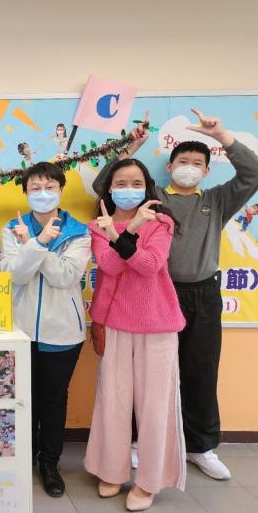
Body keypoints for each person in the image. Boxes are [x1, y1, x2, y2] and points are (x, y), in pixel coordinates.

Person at [93, 108, 258, 480]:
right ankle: (137, 442)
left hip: (202, 294)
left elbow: (253, 173)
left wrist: (222, 136)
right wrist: (129, 148)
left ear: (207, 171)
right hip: (151, 293)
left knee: (201, 369)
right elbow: (106, 185)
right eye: (182, 162)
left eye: (197, 164)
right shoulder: (150, 200)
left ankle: (200, 447)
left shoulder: (216, 200)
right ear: (169, 167)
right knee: (143, 375)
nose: (189, 168)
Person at [85, 159, 186, 511]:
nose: (129, 189)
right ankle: (111, 470)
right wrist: (125, 232)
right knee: (112, 400)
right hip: (114, 323)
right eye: (121, 183)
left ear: (147, 187)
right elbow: (110, 266)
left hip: (157, 325)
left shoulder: (161, 223)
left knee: (155, 405)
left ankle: (149, 481)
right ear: (109, 188)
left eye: (136, 182)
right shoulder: (99, 225)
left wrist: (124, 235)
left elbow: (149, 266)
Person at [0, 162, 90, 498]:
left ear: (61, 190)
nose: (43, 193)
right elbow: (14, 276)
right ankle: (21, 458)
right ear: (25, 192)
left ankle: (49, 464)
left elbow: (65, 276)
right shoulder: (13, 228)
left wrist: (34, 247)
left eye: (50, 187)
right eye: (35, 188)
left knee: (53, 400)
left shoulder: (79, 232)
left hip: (62, 333)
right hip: (19, 331)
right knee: (20, 399)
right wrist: (38, 242)